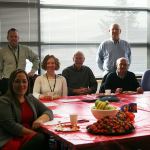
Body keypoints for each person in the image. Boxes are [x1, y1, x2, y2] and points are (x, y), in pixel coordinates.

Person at [0, 69, 53, 150]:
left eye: (24, 81)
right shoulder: (4, 101)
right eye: (17, 81)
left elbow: (48, 111)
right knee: (41, 138)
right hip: (11, 139)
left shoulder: (30, 98)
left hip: (29, 137)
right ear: (11, 83)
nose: (21, 85)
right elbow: (11, 126)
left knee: (44, 137)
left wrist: (40, 120)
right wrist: (34, 134)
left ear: (28, 83)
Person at [0, 28, 39, 95]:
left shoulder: (25, 49)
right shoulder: (2, 51)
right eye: (11, 36)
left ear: (18, 38)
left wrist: (33, 71)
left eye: (15, 36)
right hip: (7, 82)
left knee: (21, 102)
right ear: (7, 38)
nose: (13, 38)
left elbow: (36, 58)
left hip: (21, 82)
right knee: (7, 103)